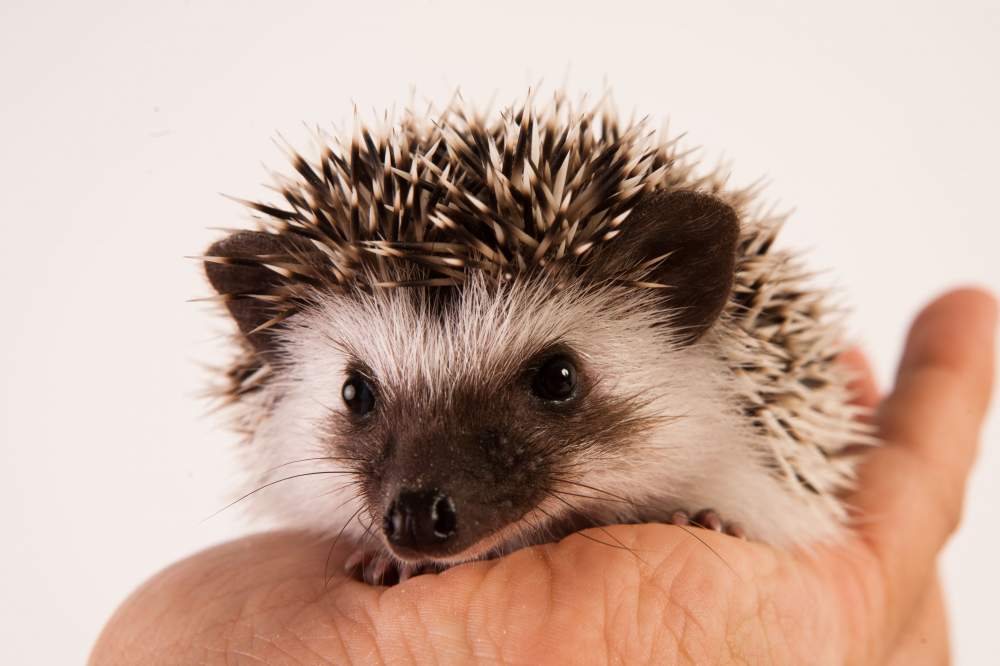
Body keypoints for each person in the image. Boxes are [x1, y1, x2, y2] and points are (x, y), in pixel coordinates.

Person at [90, 288, 996, 665]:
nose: (419, 496)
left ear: (684, 313)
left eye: (551, 383)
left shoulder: (722, 449)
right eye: (363, 397)